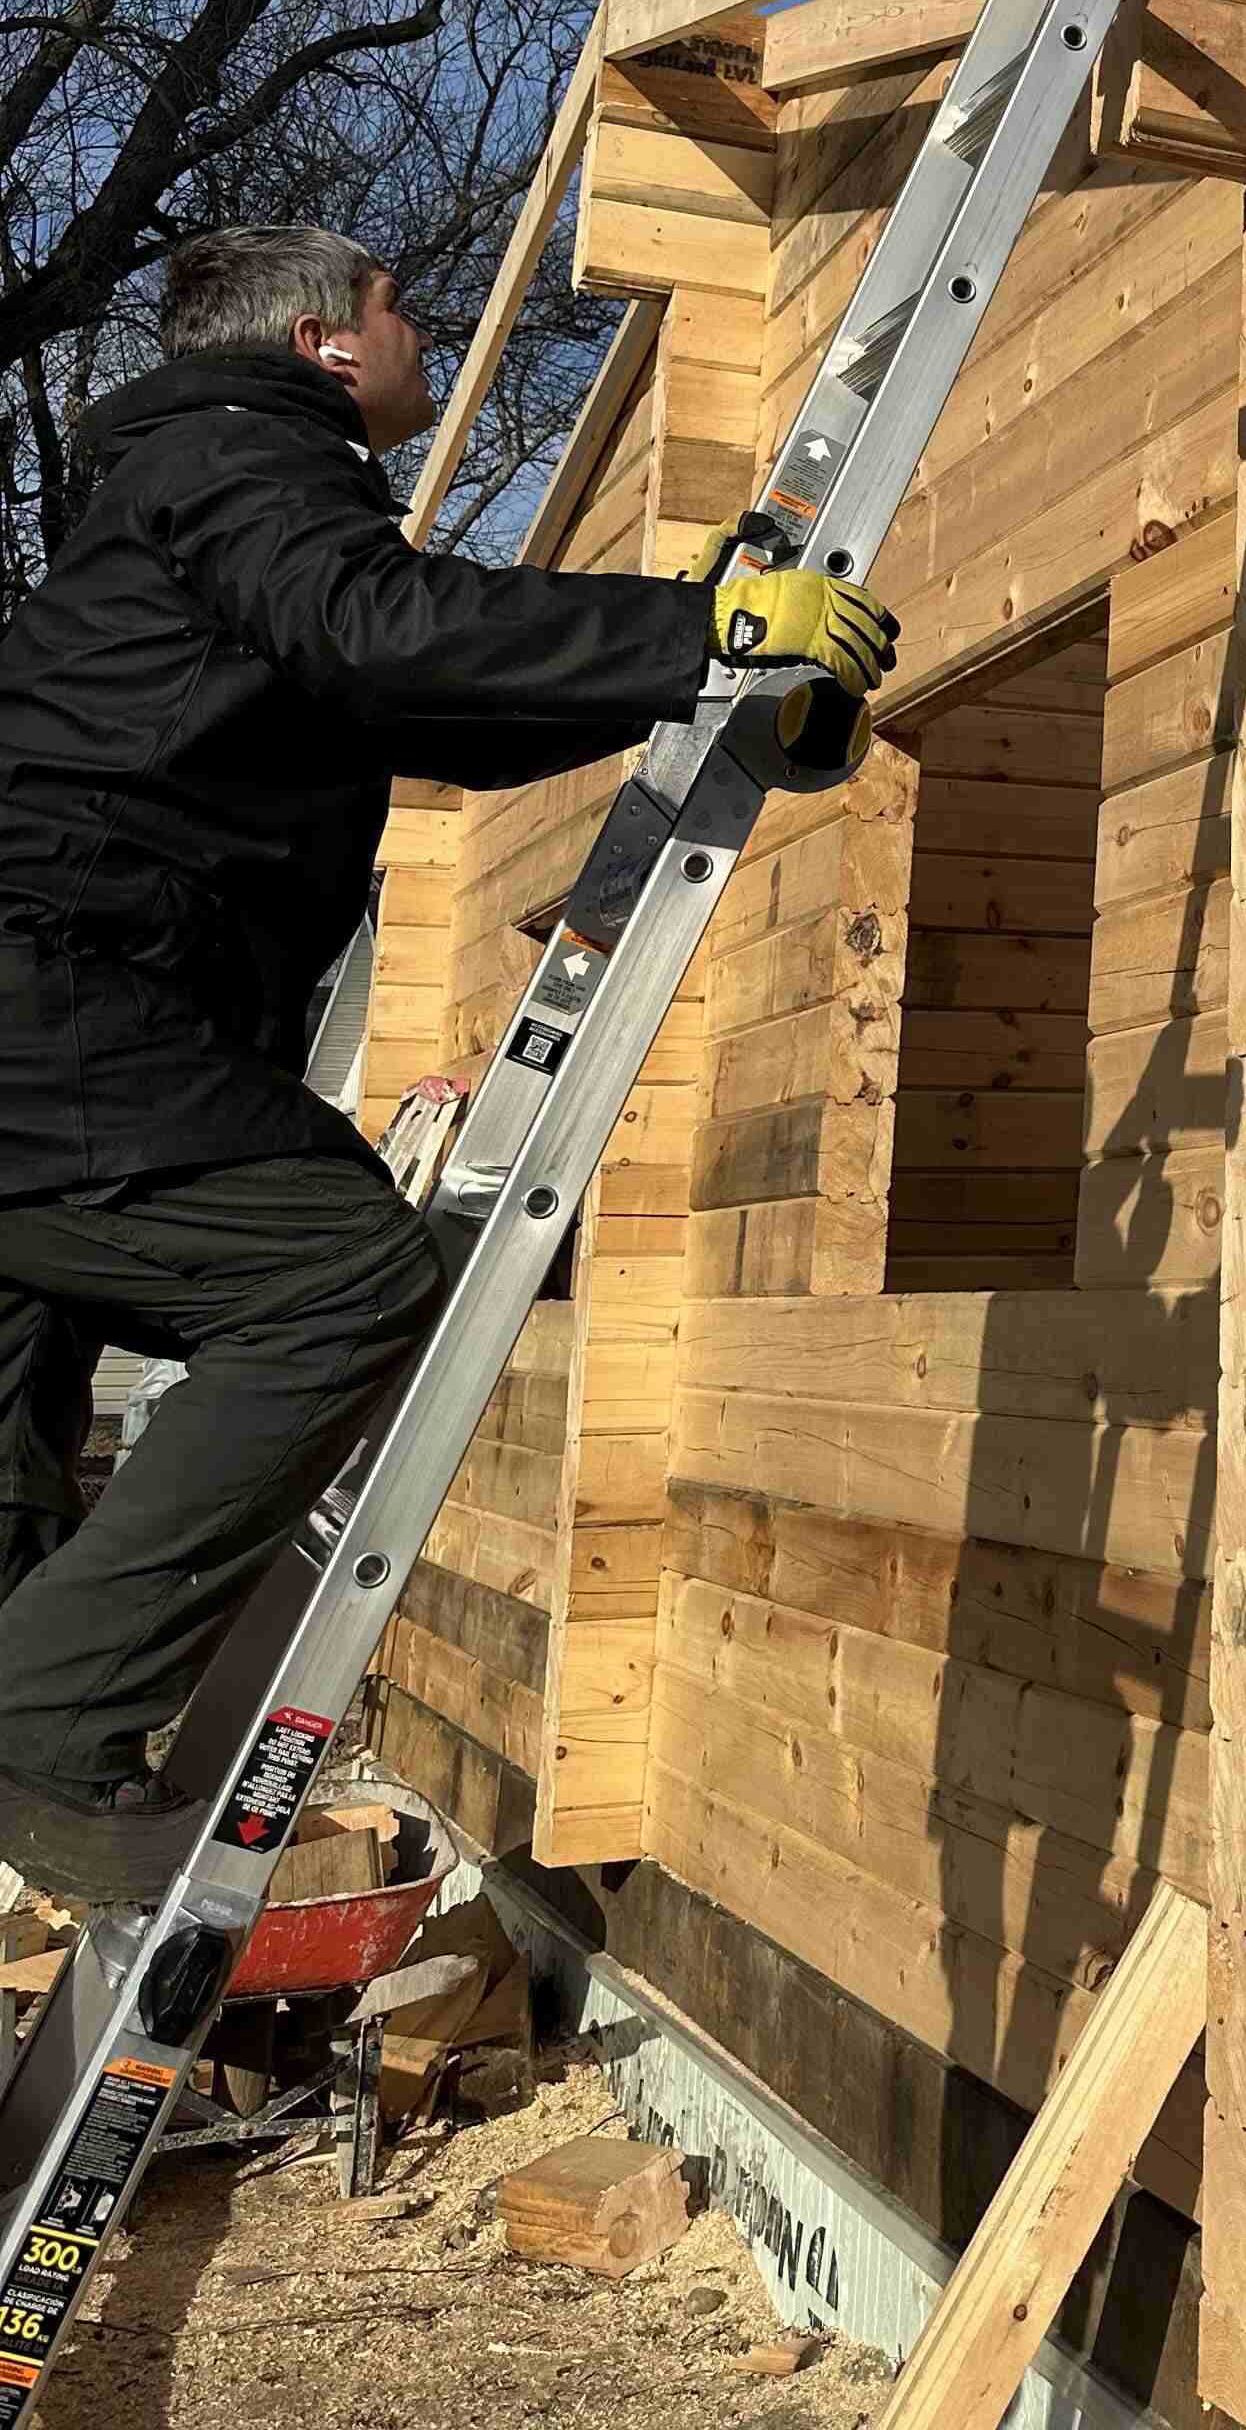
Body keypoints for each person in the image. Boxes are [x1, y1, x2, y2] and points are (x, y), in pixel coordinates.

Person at [0, 225, 896, 1908]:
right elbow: (383, 627)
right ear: (331, 343)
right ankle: (43, 1724)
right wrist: (705, 627)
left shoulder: (187, 487)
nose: (433, 335)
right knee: (339, 1272)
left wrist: (701, 657)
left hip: (62, 999)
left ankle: (33, 1702)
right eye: (408, 310)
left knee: (19, 1408)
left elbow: (426, 707)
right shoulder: (245, 458)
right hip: (61, 989)